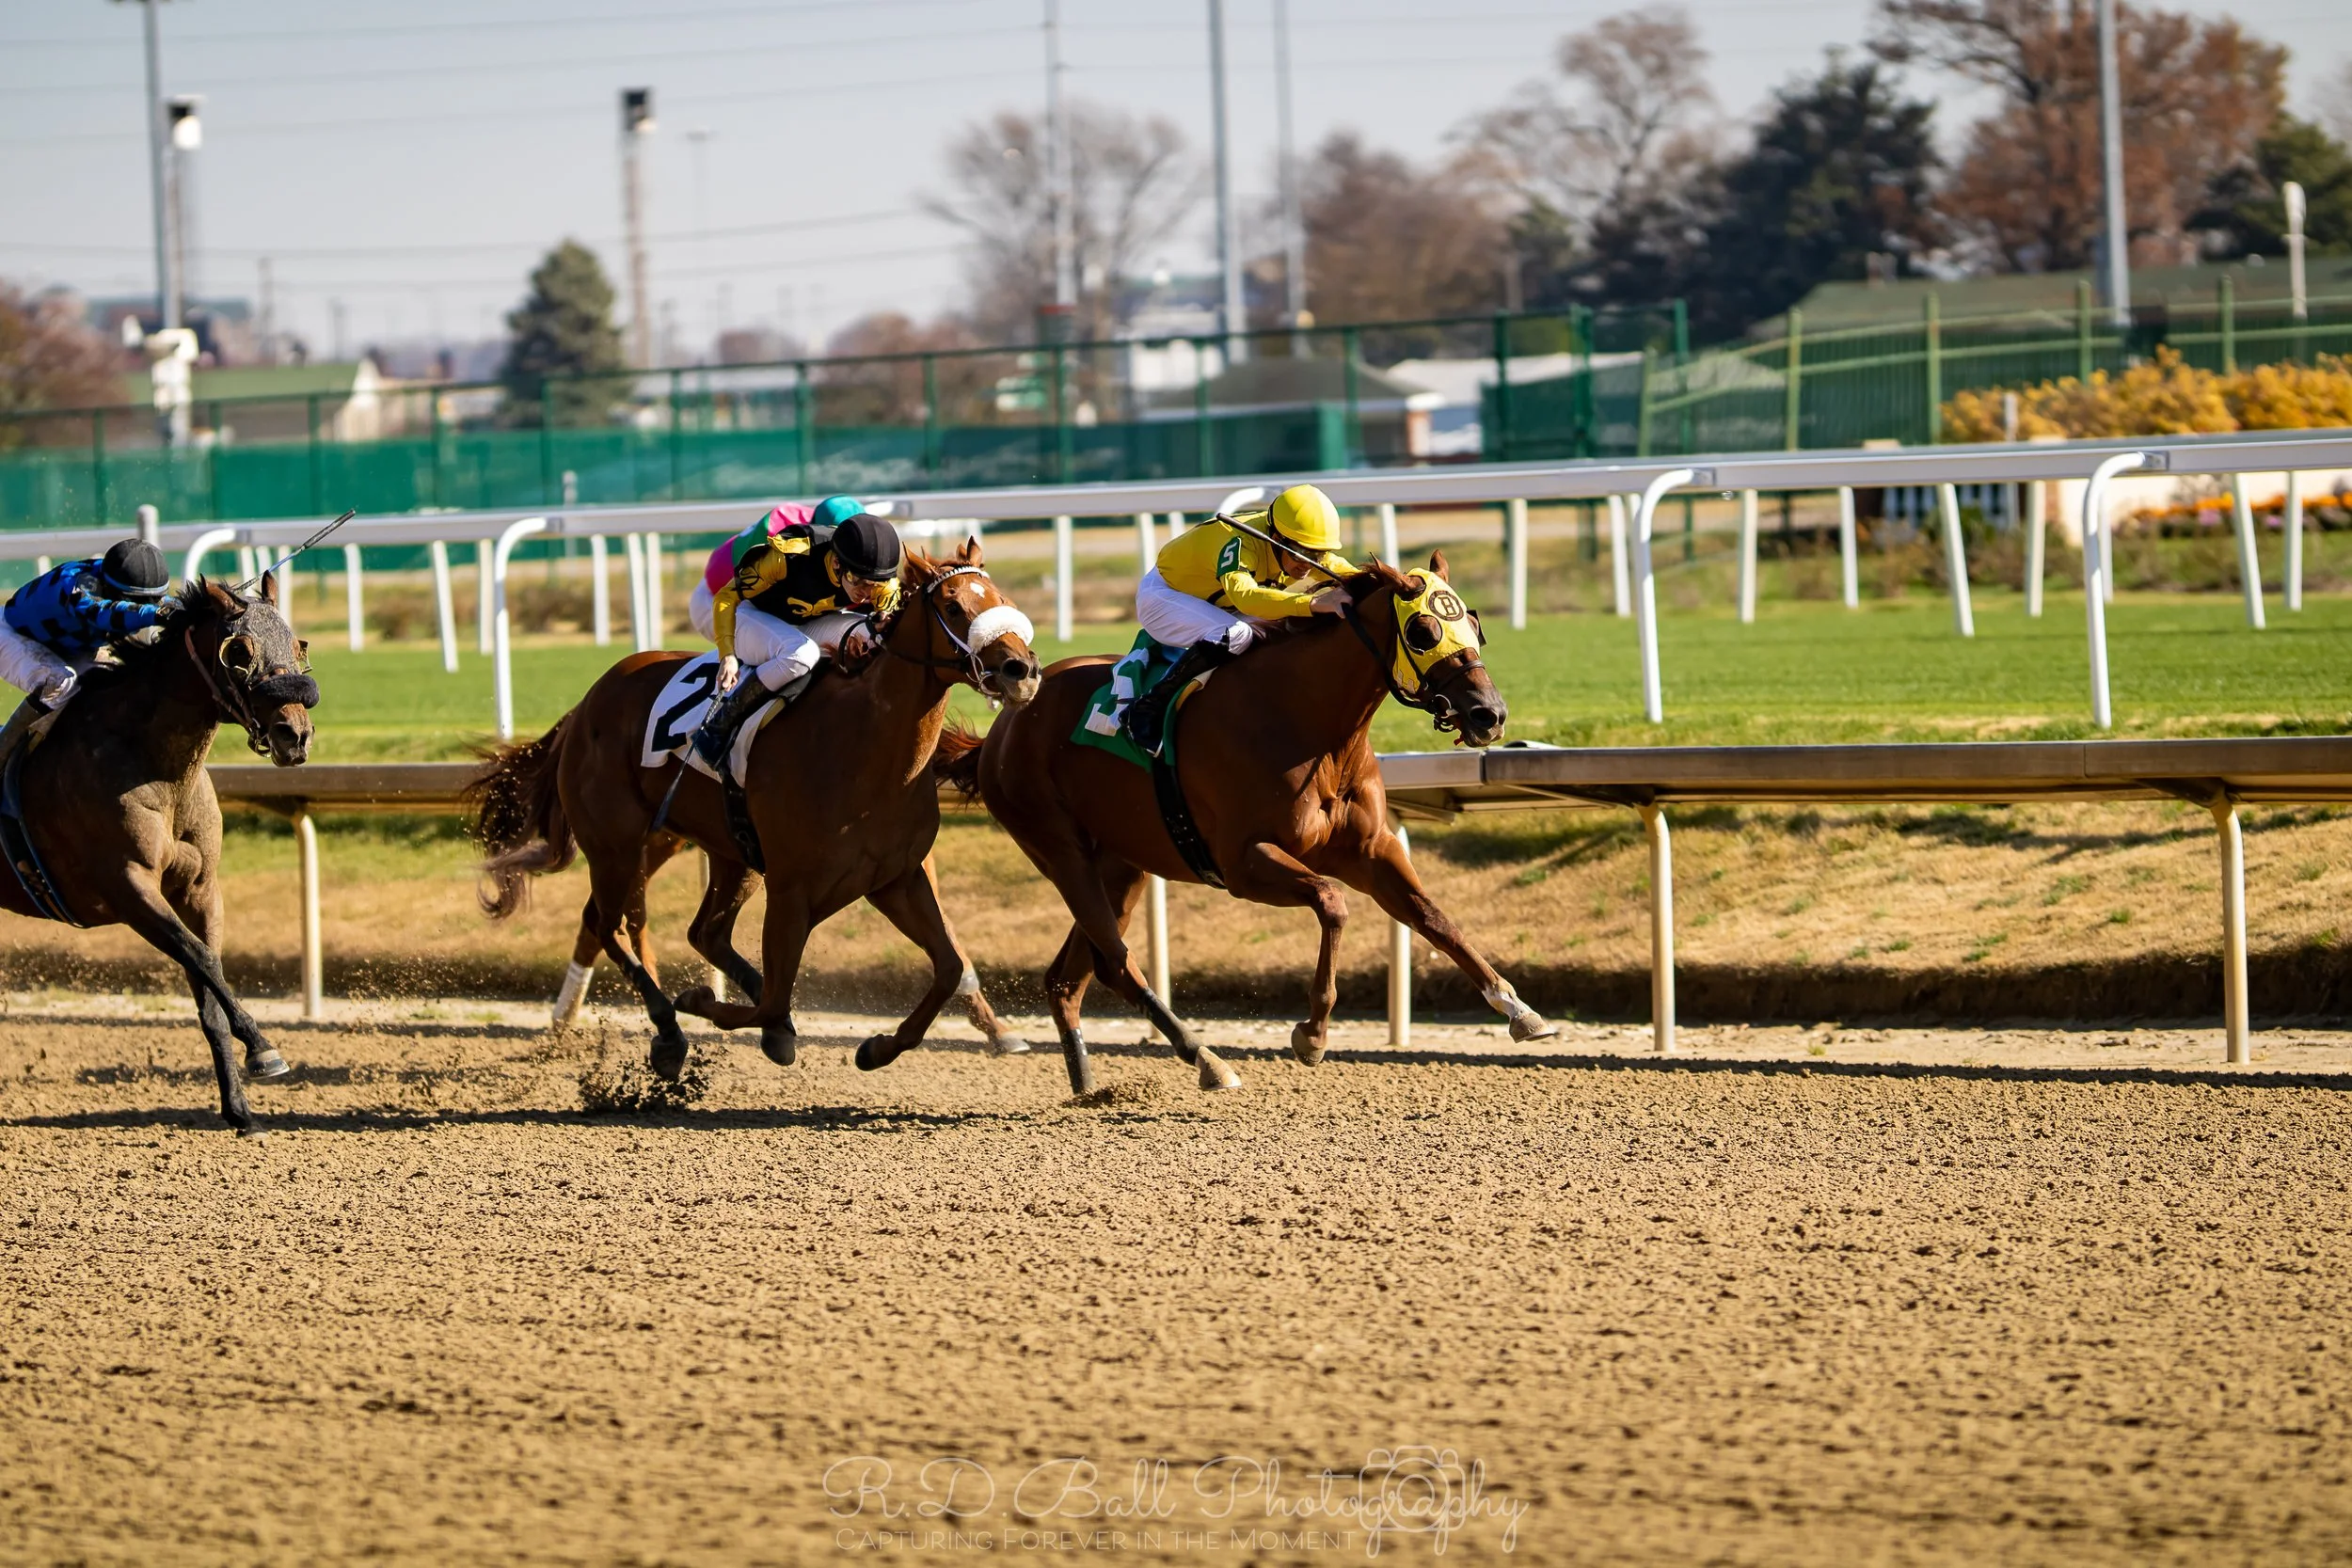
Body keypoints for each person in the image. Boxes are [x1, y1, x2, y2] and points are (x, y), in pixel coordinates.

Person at [1120, 483, 1356, 754]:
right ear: (1276, 538)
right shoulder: (1239, 541)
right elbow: (1245, 597)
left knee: (1284, 633)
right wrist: (1312, 603)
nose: (1307, 564)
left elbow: (1347, 573)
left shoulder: (1302, 552)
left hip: (1219, 603)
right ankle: (1146, 709)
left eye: (1317, 554)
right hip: (1165, 596)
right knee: (1237, 634)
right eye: (1301, 553)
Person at [685, 501, 904, 768]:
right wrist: (727, 655)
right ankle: (718, 727)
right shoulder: (789, 555)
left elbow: (885, 617)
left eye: (875, 586)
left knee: (869, 638)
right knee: (802, 654)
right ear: (836, 563)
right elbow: (726, 597)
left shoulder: (881, 578)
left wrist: (883, 622)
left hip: (807, 618)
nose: (866, 594)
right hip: (751, 612)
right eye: (859, 582)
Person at [0, 538, 173, 759]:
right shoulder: (76, 583)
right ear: (110, 587)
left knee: (121, 680)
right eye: (137, 601)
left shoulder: (112, 581)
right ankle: (4, 753)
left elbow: (160, 605)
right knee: (59, 682)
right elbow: (102, 613)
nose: (148, 606)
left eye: (153, 601)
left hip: (68, 647)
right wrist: (155, 613)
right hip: (10, 634)